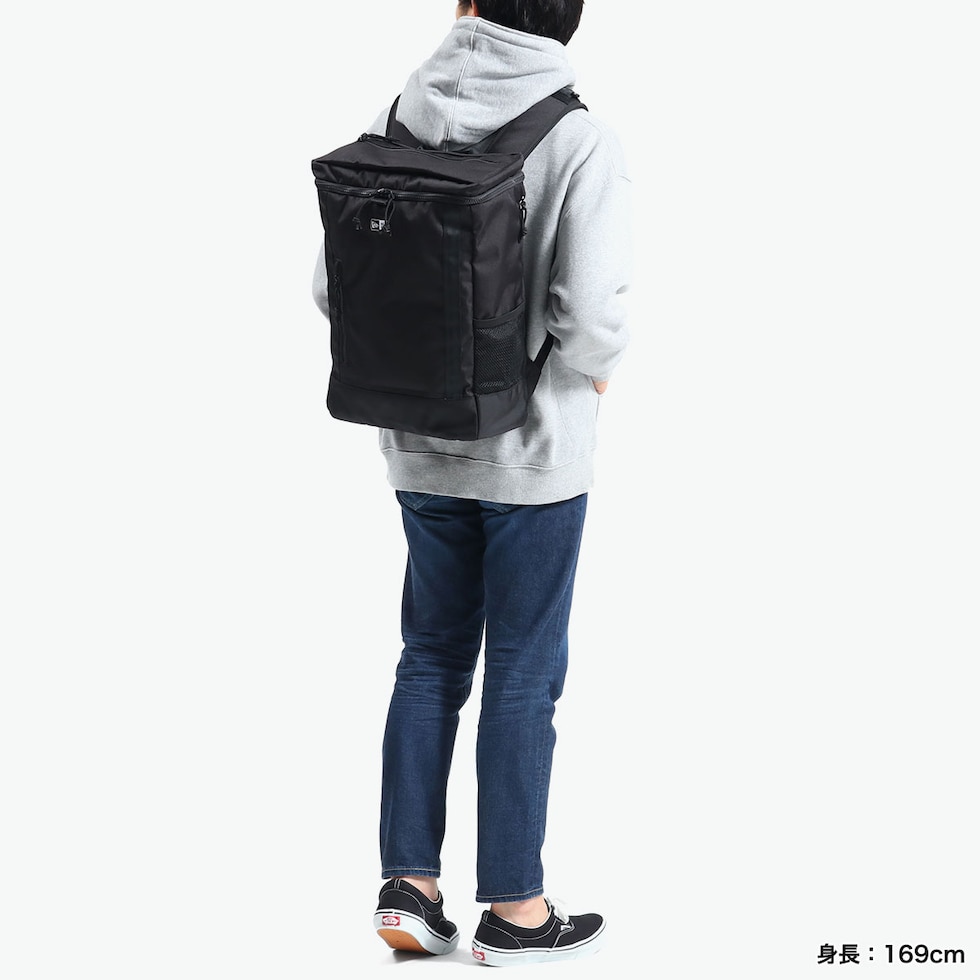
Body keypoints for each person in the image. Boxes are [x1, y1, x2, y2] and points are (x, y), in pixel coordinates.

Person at [312, 0, 631, 966]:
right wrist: (596, 370)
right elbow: (590, 313)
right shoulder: (577, 136)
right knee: (524, 671)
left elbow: (331, 288)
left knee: (429, 658)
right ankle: (516, 909)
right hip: (534, 456)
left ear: (467, 6)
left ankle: (408, 890)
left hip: (416, 442)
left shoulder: (398, 113)